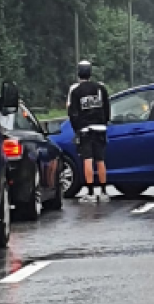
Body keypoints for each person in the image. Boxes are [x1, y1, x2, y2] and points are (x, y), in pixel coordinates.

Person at [67, 60, 111, 203]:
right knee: (100, 159)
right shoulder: (101, 88)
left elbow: (72, 112)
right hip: (100, 128)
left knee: (88, 159)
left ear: (78, 73)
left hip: (85, 129)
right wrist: (104, 122)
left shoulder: (75, 90)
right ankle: (104, 191)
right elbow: (107, 108)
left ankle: (91, 192)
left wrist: (77, 129)